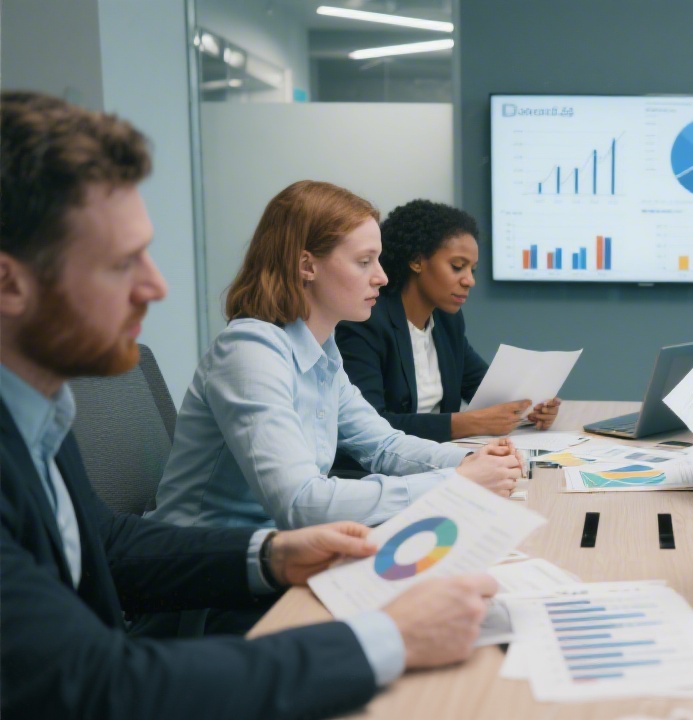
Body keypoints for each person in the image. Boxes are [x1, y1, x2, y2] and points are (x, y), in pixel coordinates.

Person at [0, 90, 499, 719]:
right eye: (122, 263)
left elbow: (106, 542)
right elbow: (97, 684)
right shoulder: (250, 349)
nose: (157, 285)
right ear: (9, 282)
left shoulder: (39, 415)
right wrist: (390, 637)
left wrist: (269, 555)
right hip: (180, 630)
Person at [149, 182, 524, 536]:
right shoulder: (249, 353)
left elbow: (383, 445)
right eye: (364, 261)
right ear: (307, 265)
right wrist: (455, 481)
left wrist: (472, 462)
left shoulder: (322, 350)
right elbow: (301, 503)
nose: (381, 277)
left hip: (282, 547)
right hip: (211, 562)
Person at [332, 200, 559, 475]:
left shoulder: (447, 321)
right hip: (377, 476)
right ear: (417, 261)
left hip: (439, 466)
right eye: (457, 266)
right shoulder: (366, 322)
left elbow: (486, 390)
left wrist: (532, 409)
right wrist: (467, 423)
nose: (469, 280)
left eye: (472, 270)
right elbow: (370, 427)